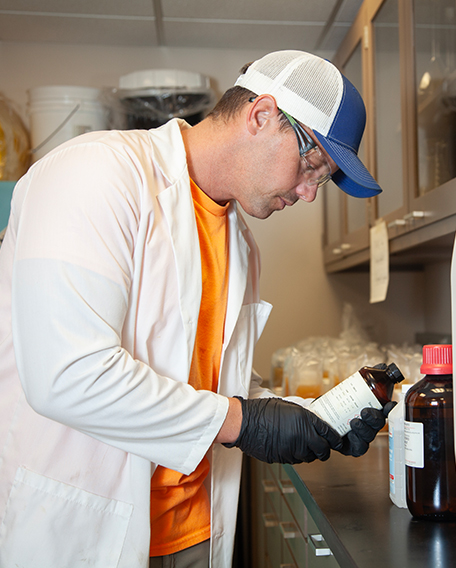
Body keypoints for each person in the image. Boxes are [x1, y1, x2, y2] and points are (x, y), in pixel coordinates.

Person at [0, 50, 393, 568]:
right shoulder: (94, 174)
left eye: (320, 180)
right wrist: (246, 422)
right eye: (312, 165)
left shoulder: (241, 244)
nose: (308, 192)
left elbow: (212, 377)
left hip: (197, 532)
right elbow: (68, 375)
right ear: (261, 116)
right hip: (86, 531)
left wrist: (313, 419)